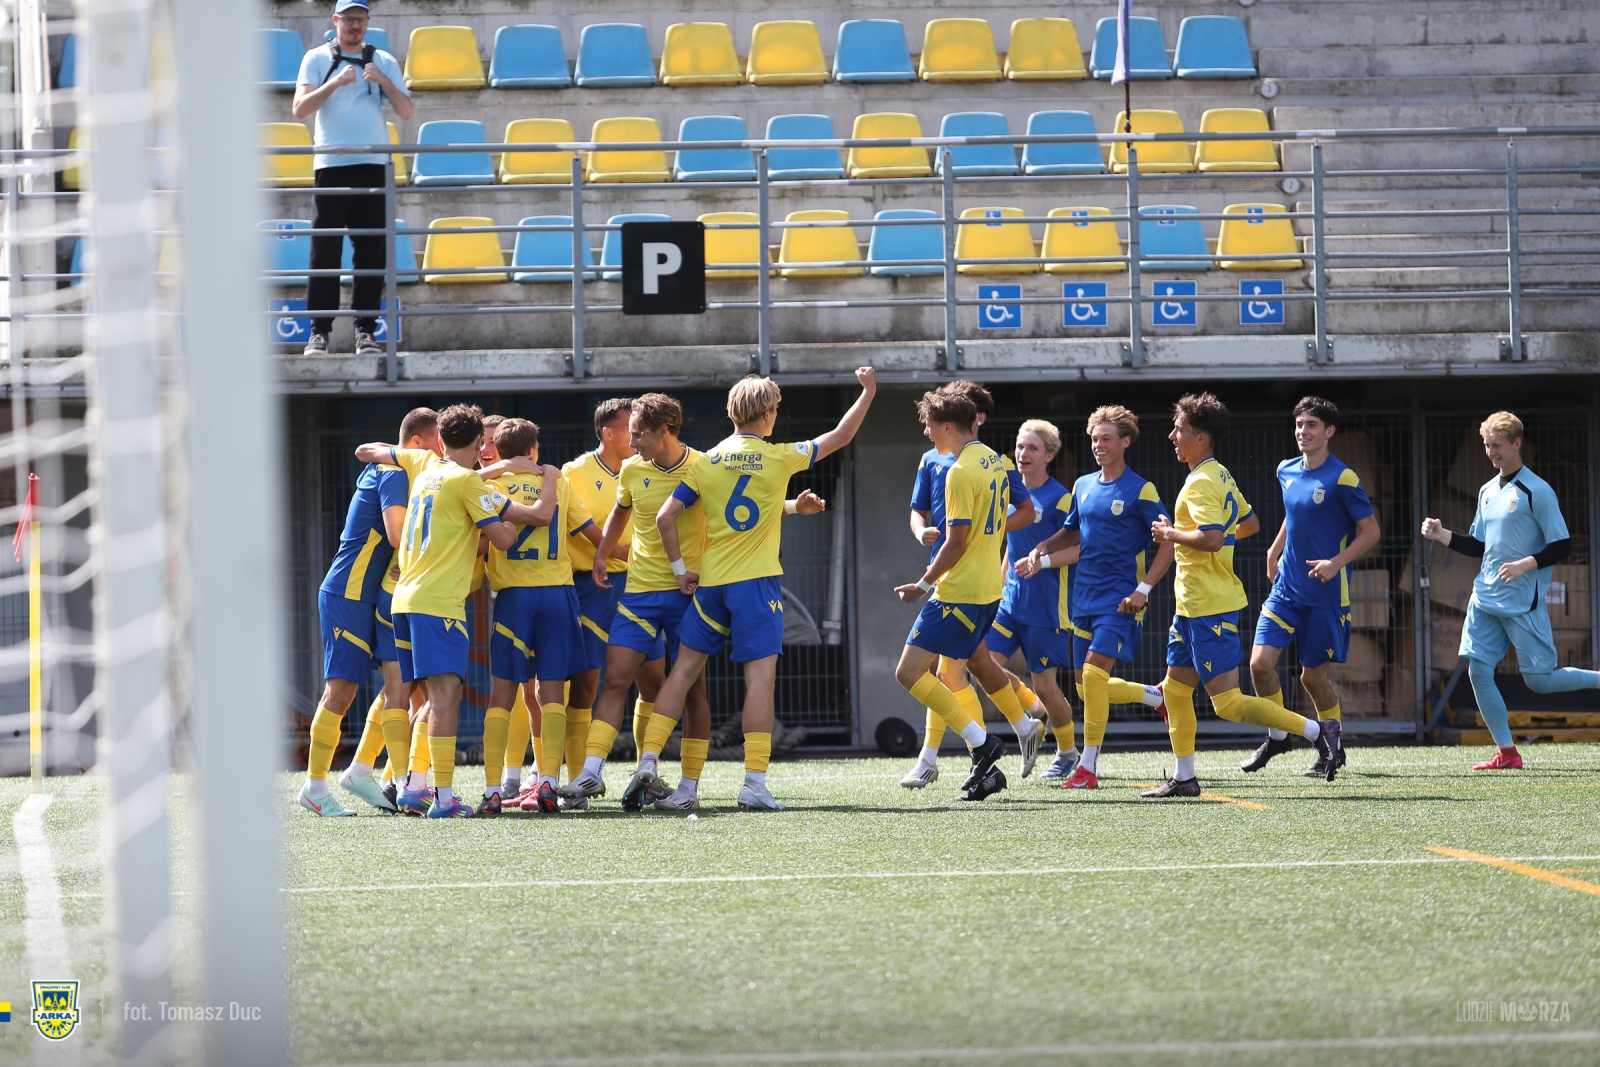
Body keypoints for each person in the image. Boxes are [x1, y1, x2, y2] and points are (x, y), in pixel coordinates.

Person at [622, 369, 875, 812]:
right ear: (769, 413)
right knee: (759, 681)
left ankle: (655, 766)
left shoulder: (705, 461)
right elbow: (841, 435)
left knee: (681, 674)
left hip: (711, 585)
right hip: (756, 586)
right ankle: (754, 784)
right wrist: (868, 391)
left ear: (732, 412)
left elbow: (665, 518)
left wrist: (680, 571)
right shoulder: (779, 456)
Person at [354, 405, 547, 818]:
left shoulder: (423, 468)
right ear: (479, 444)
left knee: (418, 697)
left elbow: (365, 451)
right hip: (437, 603)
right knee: (445, 697)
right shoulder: (467, 482)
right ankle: (443, 798)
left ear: (440, 441)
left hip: (403, 599)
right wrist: (509, 522)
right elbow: (503, 539)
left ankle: (411, 785)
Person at [1145, 393, 1340, 798]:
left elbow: (1213, 538)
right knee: (1175, 691)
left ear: (1200, 438)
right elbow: (1249, 523)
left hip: (1208, 606)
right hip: (1191, 605)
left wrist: (1170, 533)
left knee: (1228, 703)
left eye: (1179, 430)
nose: (1172, 436)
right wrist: (1201, 538)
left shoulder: (1202, 482)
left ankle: (1316, 731)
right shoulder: (1218, 474)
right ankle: (1185, 778)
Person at [561, 393, 715, 812]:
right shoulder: (632, 469)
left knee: (694, 691)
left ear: (664, 431)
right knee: (615, 677)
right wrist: (602, 554)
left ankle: (687, 787)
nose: (631, 443)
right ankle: (592, 771)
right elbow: (620, 512)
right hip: (639, 593)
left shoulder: (703, 466)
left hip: (688, 595)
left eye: (638, 435)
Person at [1421, 411, 1598, 770]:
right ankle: (1507, 752)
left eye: (1497, 446)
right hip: (1485, 598)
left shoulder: (1538, 491)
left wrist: (1524, 565)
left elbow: (1561, 546)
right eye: (1487, 446)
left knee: (1540, 682)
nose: (1491, 453)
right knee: (1478, 672)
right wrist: (1441, 535)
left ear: (1517, 444)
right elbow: (1478, 545)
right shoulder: (1487, 491)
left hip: (1521, 602)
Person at [1016, 406, 1171, 789]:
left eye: (1106, 439)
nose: (1099, 445)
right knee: (1088, 688)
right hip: (1082, 600)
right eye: (1094, 439)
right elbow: (1072, 532)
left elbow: (1168, 543)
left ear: (1125, 441)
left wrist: (1143, 589)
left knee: (1092, 676)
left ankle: (1086, 768)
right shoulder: (1083, 485)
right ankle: (1156, 697)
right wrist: (1044, 546)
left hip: (1120, 601)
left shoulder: (1141, 490)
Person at [899, 381, 1040, 789]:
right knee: (968, 665)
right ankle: (1014, 730)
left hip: (956, 588)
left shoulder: (959, 471)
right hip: (986, 588)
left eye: (929, 424)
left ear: (947, 426)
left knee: (911, 672)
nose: (925, 432)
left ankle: (978, 745)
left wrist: (922, 584)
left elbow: (957, 542)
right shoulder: (993, 461)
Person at [301, 407, 439, 816]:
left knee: (404, 683)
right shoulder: (394, 472)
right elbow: (397, 533)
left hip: (374, 594)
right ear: (417, 443)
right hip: (349, 593)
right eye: (437, 443)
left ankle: (365, 771)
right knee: (341, 692)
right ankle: (314, 787)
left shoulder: (398, 467)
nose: (442, 451)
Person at [1243, 397, 1381, 776]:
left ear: (1329, 431)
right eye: (1299, 425)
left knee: (1311, 677)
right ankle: (1278, 736)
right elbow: (1295, 514)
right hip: (1286, 589)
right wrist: (1274, 550)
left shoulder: (1343, 478)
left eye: (1311, 425)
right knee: (1259, 665)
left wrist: (1336, 563)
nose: (1303, 431)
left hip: (1325, 597)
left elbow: (1371, 531)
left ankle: (1332, 749)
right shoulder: (1286, 469)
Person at [480, 418, 602, 815]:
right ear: (534, 450)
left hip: (513, 597)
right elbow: (591, 534)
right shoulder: (558, 483)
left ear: (499, 451)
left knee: (502, 694)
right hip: (557, 595)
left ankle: (493, 790)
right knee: (551, 693)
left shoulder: (490, 487)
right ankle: (548, 781)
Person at [556, 398, 664, 811]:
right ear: (607, 433)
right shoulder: (574, 473)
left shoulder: (648, 468)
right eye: (628, 429)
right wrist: (615, 551)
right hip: (593, 587)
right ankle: (578, 780)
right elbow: (577, 528)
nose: (636, 436)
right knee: (586, 685)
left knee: (653, 681)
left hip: (642, 584)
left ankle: (645, 773)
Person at [292, 0, 412, 358]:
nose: (355, 26)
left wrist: (383, 81)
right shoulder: (317, 58)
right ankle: (318, 333)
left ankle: (366, 332)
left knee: (371, 253)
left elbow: (406, 111)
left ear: (368, 21)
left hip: (374, 165)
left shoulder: (383, 60)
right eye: (348, 19)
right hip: (331, 165)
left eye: (361, 19)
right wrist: (335, 82)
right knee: (325, 251)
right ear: (336, 20)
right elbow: (299, 109)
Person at [980, 420, 1079, 779]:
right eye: (1020, 446)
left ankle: (1068, 753)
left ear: (1049, 455)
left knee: (1046, 684)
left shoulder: (1061, 498)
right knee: (982, 662)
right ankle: (1031, 714)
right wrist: (999, 583)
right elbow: (1013, 545)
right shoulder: (1011, 492)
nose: (1023, 453)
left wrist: (1044, 561)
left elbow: (1082, 548)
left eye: (1032, 448)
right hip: (1009, 603)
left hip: (1046, 609)